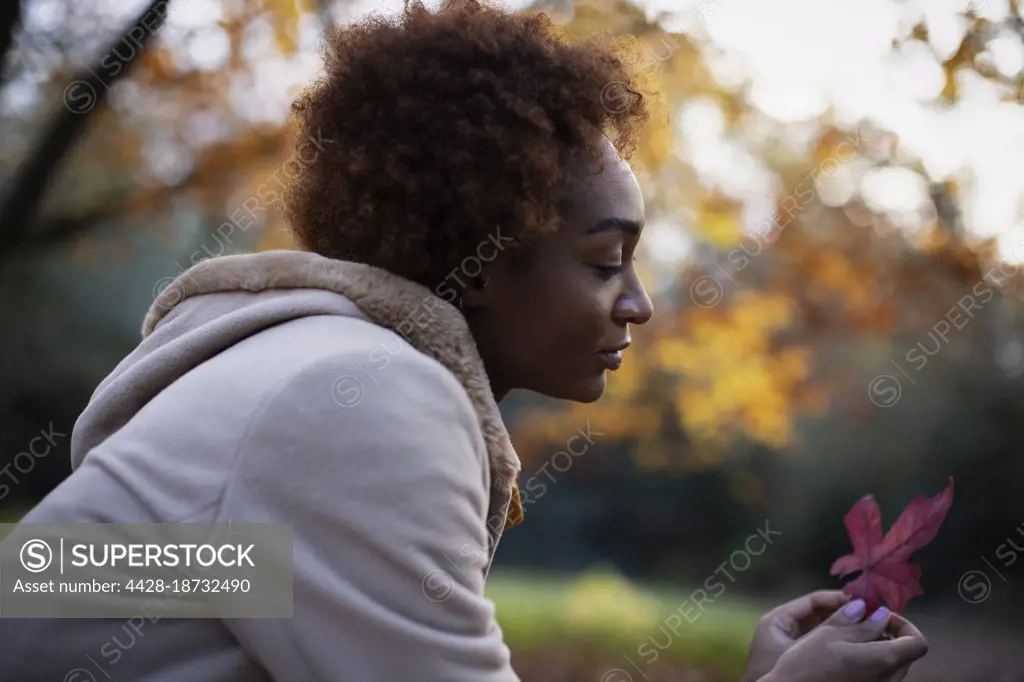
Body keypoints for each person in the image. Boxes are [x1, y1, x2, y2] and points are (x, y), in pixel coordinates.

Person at [0, 0, 928, 680]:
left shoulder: (296, 369)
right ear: (483, 257)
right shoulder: (361, 395)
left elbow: (64, 585)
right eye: (606, 262)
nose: (639, 305)